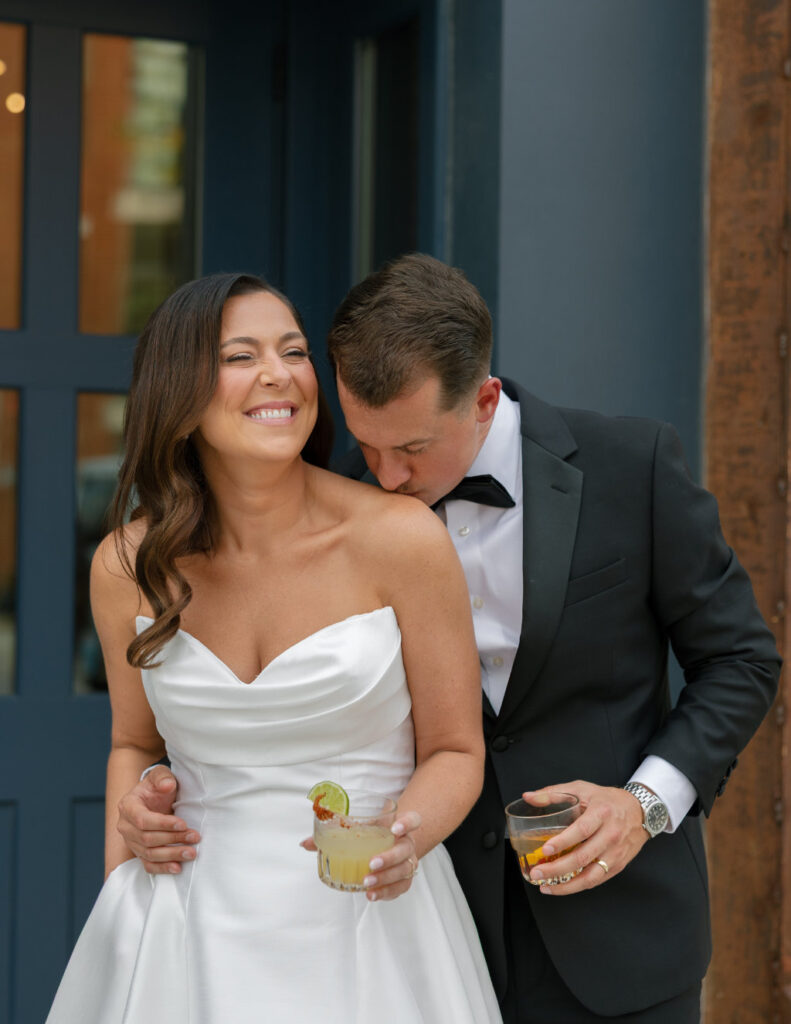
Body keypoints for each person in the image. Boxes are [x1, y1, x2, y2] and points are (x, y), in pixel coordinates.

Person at [116, 255, 782, 1023]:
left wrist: (642, 804)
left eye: (411, 450)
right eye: (366, 447)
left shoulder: (633, 466)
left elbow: (739, 661)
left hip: (616, 925)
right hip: (420, 930)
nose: (387, 477)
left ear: (484, 400)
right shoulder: (342, 510)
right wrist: (148, 794)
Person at [46, 271, 502, 1024]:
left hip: (370, 929)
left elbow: (456, 750)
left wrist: (402, 839)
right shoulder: (125, 567)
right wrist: (131, 834)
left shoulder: (401, 540)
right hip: (185, 932)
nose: (279, 373)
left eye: (292, 351)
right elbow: (131, 743)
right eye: (240, 355)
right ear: (178, 392)